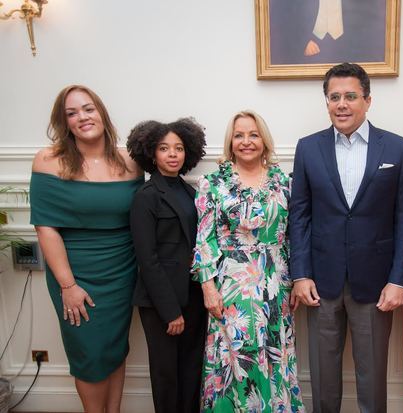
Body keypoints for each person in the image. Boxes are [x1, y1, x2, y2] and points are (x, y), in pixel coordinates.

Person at [289, 62, 403, 413]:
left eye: (350, 96)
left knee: (372, 376)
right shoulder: (308, 148)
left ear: (368, 100)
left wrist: (398, 280)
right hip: (321, 280)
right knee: (323, 376)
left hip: (376, 283)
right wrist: (300, 274)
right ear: (326, 101)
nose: (341, 104)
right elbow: (299, 215)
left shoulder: (396, 148)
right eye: (334, 97)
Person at [29, 85, 143, 412]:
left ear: (101, 113)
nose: (82, 117)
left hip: (122, 271)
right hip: (75, 274)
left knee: (114, 348)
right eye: (72, 113)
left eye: (88, 109)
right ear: (64, 123)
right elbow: (45, 227)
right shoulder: (48, 161)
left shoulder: (131, 163)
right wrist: (68, 285)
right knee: (89, 355)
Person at [193, 110, 305, 412]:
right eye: (239, 135)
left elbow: (293, 236)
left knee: (274, 355)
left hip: (276, 284)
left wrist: (297, 279)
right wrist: (208, 288)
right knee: (234, 360)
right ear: (231, 142)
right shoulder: (212, 183)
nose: (246, 141)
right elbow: (205, 239)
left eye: (253, 134)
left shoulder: (285, 183)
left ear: (264, 140)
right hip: (231, 287)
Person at [127, 118, 206, 413]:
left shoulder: (190, 193)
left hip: (193, 297)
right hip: (162, 302)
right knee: (166, 377)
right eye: (164, 148)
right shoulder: (146, 197)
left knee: (191, 371)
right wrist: (170, 311)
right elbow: (147, 259)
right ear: (151, 153)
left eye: (179, 148)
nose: (173, 154)